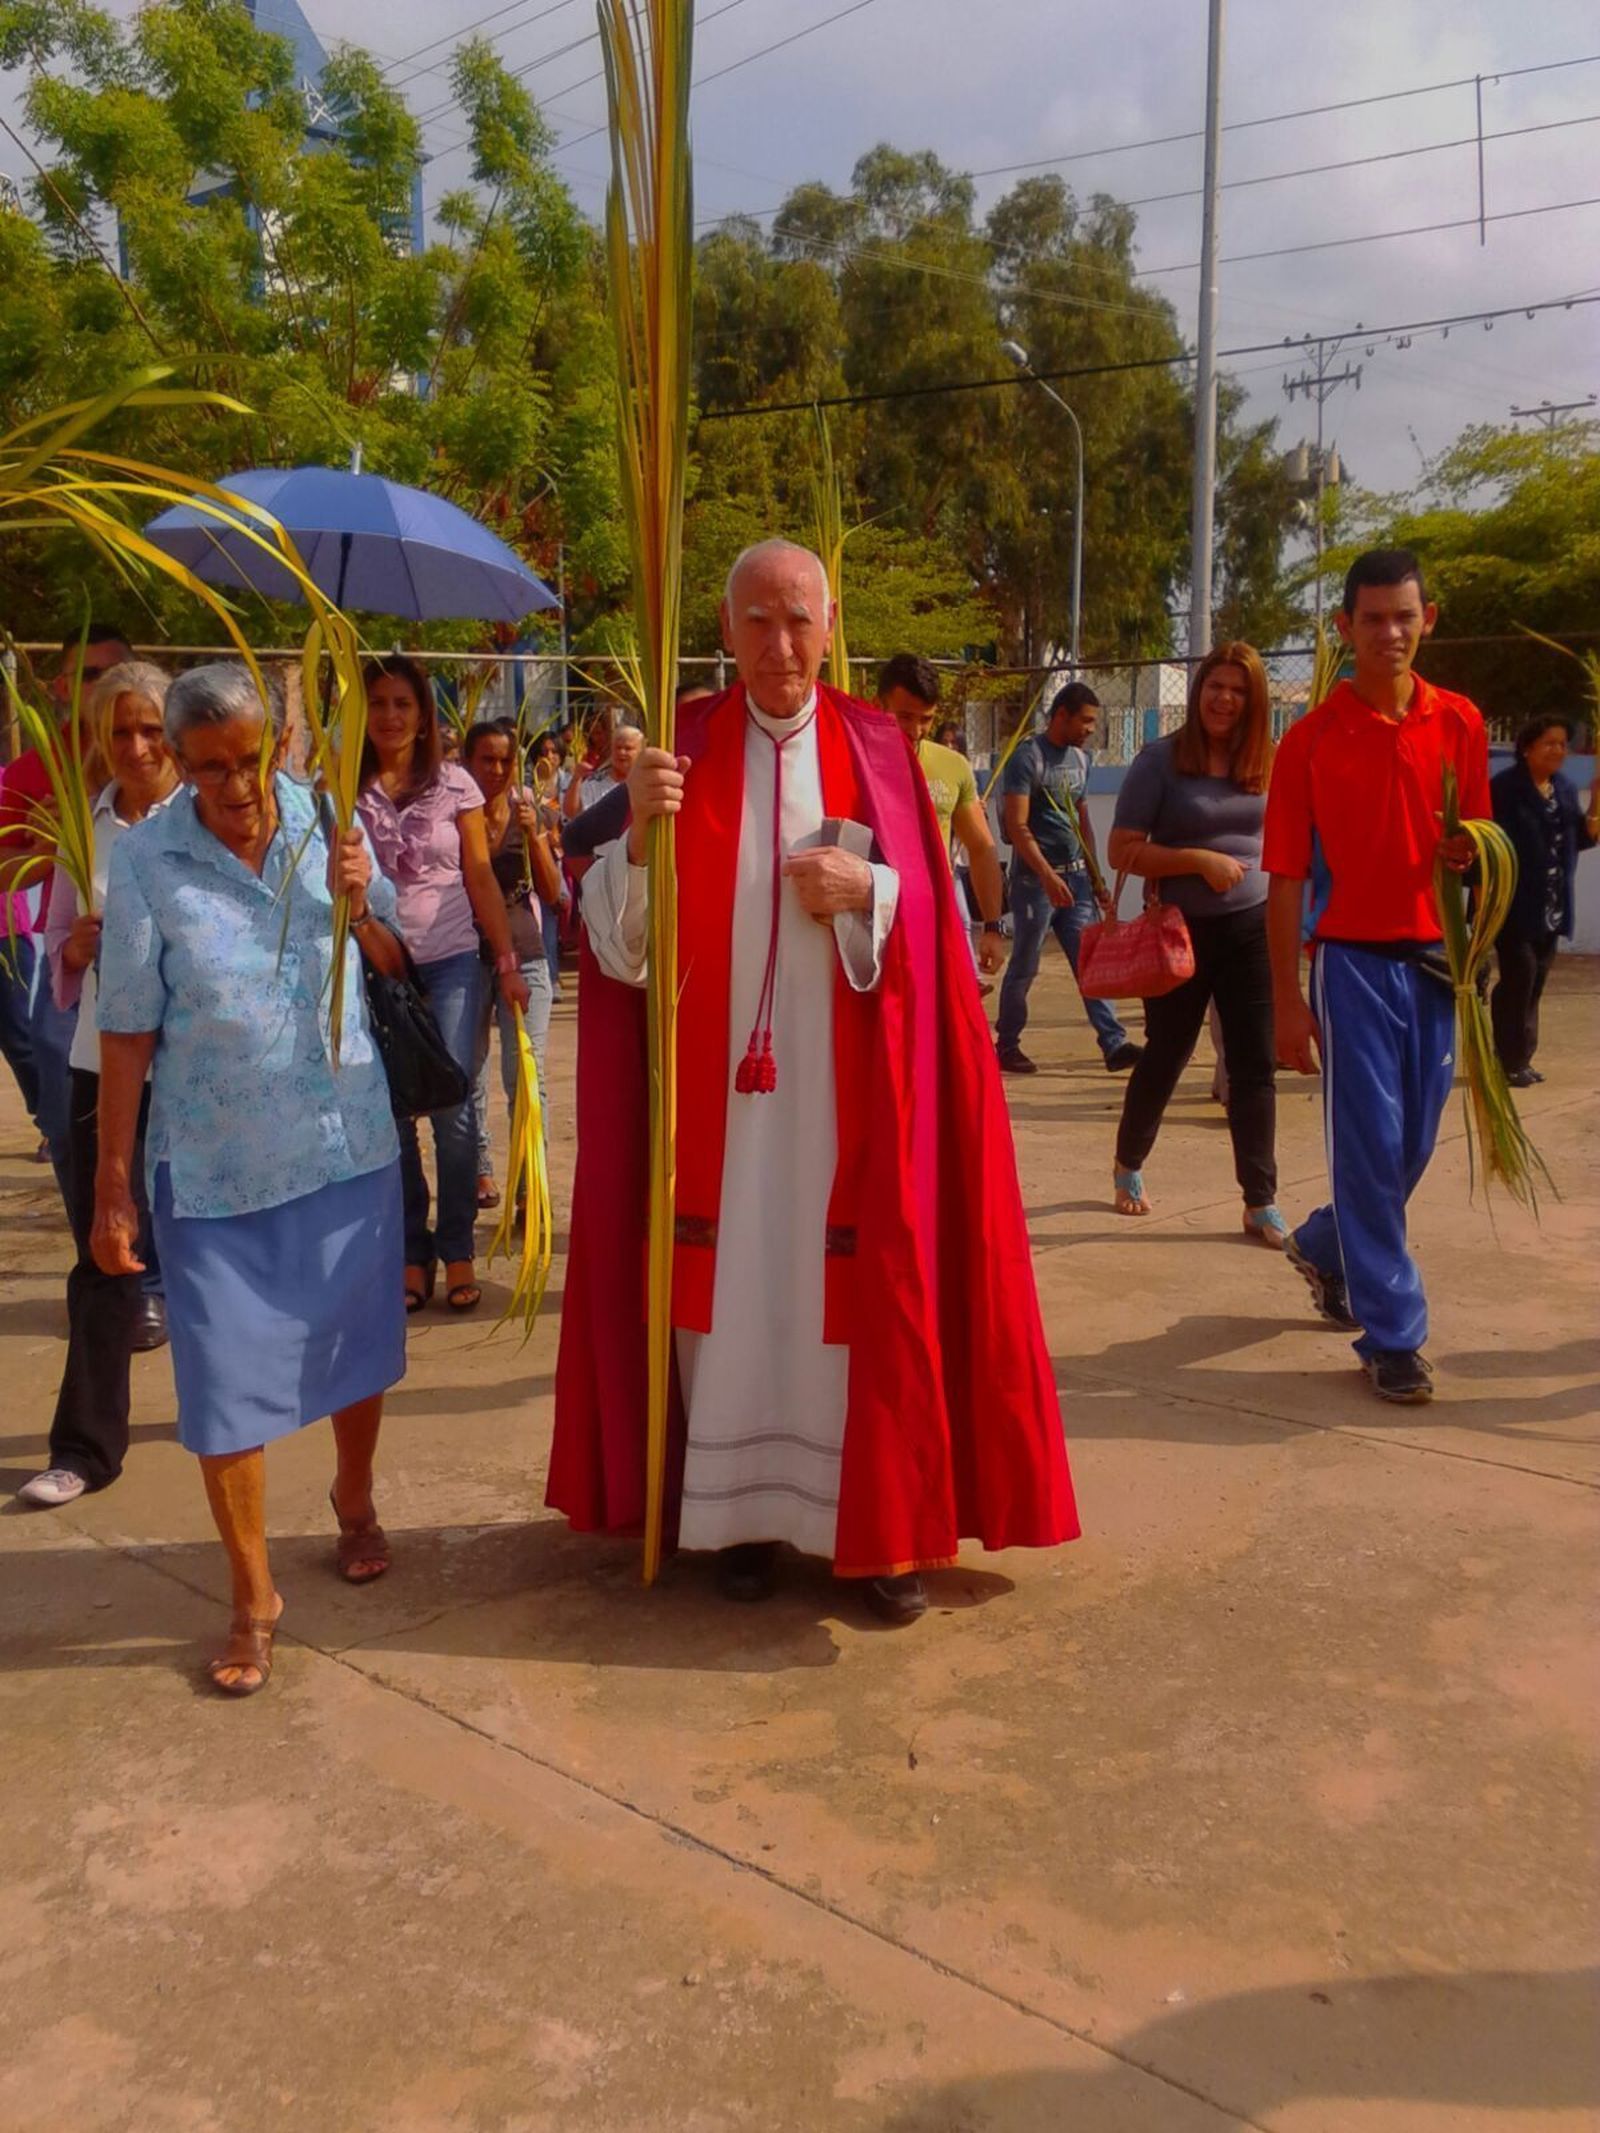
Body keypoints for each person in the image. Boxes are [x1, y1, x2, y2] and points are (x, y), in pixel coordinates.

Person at [549, 539, 1078, 1622]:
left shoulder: (881, 749)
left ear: (830, 627)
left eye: (799, 620)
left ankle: (870, 1532)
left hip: (846, 1104)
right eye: (757, 620)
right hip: (722, 1117)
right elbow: (612, 952)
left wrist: (873, 889)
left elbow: (938, 930)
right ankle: (736, 1520)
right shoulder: (677, 751)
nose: (779, 644)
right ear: (725, 629)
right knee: (732, 1296)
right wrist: (641, 844)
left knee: (854, 1303)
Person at [91, 663, 409, 1695]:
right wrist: (112, 1185)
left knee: (355, 1356)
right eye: (209, 767)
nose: (235, 786)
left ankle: (352, 1497)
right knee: (225, 1394)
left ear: (279, 746)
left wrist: (364, 905)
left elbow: (396, 957)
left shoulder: (326, 817)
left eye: (251, 760)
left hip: (342, 1144)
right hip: (218, 1170)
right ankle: (251, 1595)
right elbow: (129, 1030)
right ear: (176, 767)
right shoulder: (145, 862)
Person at [1264, 549, 1488, 1406]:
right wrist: (1289, 1000)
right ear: (1344, 627)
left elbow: (1473, 848)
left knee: (1411, 1147)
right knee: (1367, 1152)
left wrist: (1469, 861)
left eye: (1405, 616)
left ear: (1428, 618)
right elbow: (1285, 878)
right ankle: (1394, 1335)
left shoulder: (1460, 722)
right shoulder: (1311, 742)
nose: (1390, 633)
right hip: (1351, 965)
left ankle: (1325, 1241)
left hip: (1436, 966)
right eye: (1372, 618)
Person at [17, 664, 180, 1508]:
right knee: (104, 1251)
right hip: (98, 1068)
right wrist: (77, 946)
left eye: (152, 729)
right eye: (121, 732)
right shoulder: (89, 828)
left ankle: (240, 1417)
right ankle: (85, 1446)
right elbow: (54, 953)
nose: (138, 747)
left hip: (196, 1073)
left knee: (213, 1249)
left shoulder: (213, 817)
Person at [357, 656, 530, 1314]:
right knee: (393, 1112)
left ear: (424, 713)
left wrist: (508, 962)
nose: (391, 716)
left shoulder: (455, 782)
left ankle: (457, 1245)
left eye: (404, 703)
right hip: (375, 960)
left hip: (454, 956)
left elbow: (481, 876)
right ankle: (411, 1250)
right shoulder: (343, 785)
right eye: (378, 702)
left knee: (455, 1110)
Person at [1107, 644, 1286, 1243]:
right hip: (1178, 935)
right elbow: (1122, 849)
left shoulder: (1266, 761)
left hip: (1252, 929)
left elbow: (1287, 845)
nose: (1225, 698)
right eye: (1216, 685)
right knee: (1166, 1055)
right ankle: (1129, 1164)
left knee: (1254, 1065)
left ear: (1253, 700)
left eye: (1238, 689)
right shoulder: (1160, 761)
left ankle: (1260, 1200)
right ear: (1199, 690)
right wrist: (1197, 859)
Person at [0, 624, 135, 1200]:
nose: (104, 687)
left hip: (158, 955)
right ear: (62, 686)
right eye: (90, 676)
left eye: (115, 672)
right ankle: (94, 1240)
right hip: (73, 958)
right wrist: (46, 843)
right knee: (62, 1103)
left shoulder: (158, 754)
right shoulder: (37, 769)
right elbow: (5, 871)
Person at [995, 683, 1142, 1076]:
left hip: (1076, 882)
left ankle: (1113, 1043)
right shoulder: (1028, 758)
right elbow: (1017, 824)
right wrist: (1045, 876)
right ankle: (1007, 1044)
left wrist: (1095, 876)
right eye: (1086, 720)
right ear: (1061, 715)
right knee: (1025, 965)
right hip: (1034, 883)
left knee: (1090, 962)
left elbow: (1082, 819)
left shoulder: (1081, 759)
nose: (1091, 728)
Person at [462, 717, 563, 1207]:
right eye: (487, 759)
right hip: (466, 955)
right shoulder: (454, 817)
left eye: (506, 760)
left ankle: (530, 1184)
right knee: (469, 1069)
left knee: (525, 1070)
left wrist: (537, 837)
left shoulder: (531, 814)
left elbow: (553, 894)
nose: (497, 770)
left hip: (525, 957)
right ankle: (481, 1170)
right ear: (467, 761)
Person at [876, 652, 1007, 983]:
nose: (916, 730)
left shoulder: (953, 766)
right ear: (879, 705)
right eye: (904, 717)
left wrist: (992, 926)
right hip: (872, 927)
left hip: (934, 922)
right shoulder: (852, 760)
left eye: (927, 719)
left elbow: (981, 848)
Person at [1489, 716, 1597, 1087]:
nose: (1558, 751)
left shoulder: (1564, 789)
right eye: (1549, 743)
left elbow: (1577, 840)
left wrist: (1596, 808)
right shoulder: (1505, 789)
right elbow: (1488, 840)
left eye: (1563, 744)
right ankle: (1508, 1058)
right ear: (1527, 747)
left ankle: (1521, 1056)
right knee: (1519, 978)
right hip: (1513, 902)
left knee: (1536, 982)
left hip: (1553, 904)